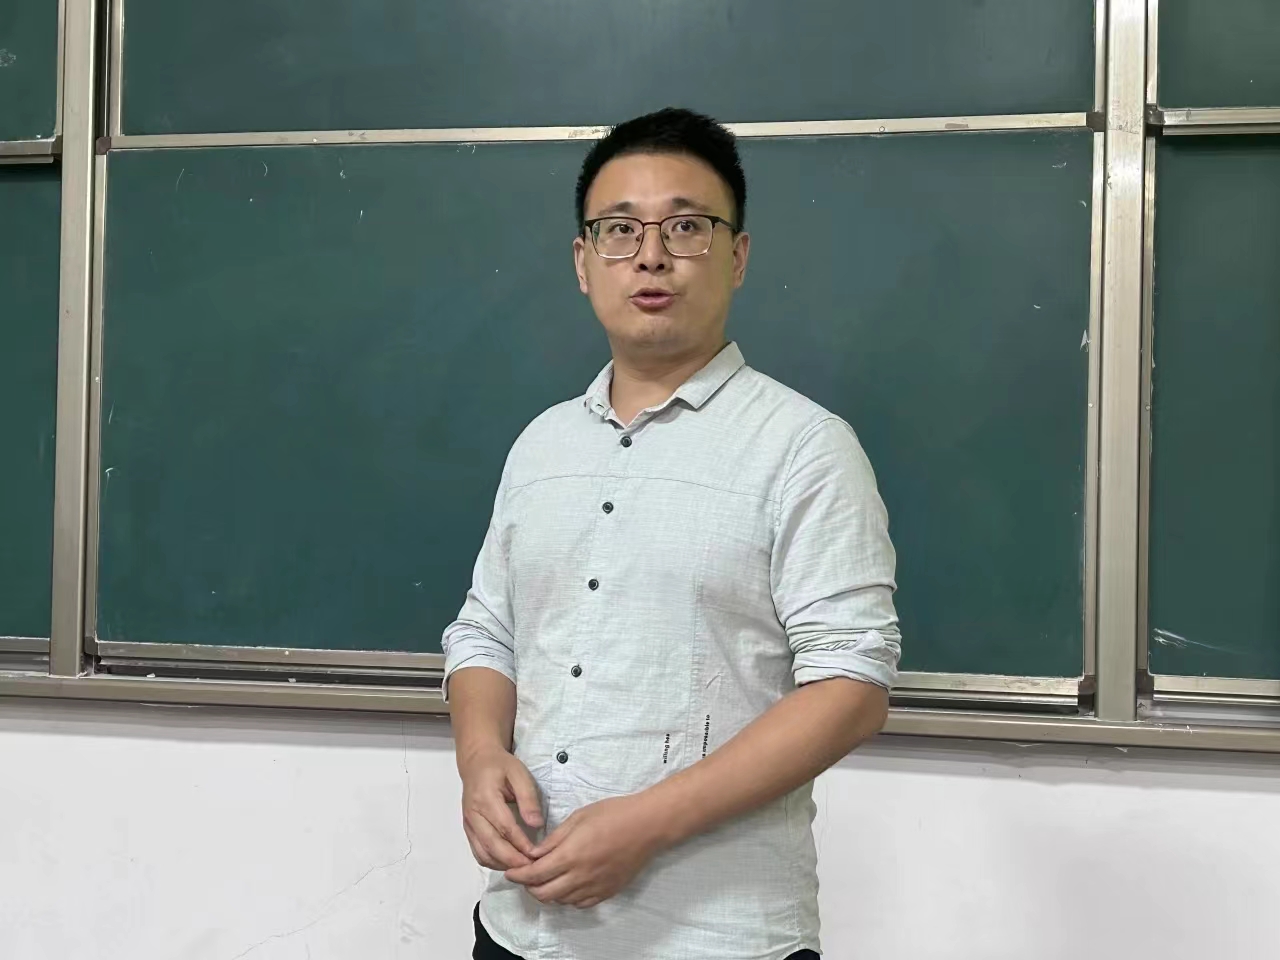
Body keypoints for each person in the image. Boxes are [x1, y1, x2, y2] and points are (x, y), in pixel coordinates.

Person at [442, 107, 901, 960]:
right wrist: (478, 757)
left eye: (686, 227)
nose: (650, 255)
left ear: (738, 255)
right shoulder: (541, 444)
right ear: (584, 262)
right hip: (520, 928)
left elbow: (851, 684)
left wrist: (647, 825)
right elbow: (486, 632)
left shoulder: (805, 447)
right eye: (619, 230)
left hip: (714, 936)